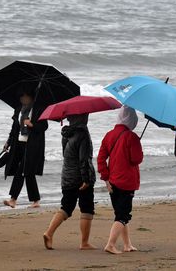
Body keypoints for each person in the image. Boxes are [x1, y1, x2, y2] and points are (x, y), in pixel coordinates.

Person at [43, 114, 96, 250]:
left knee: (66, 207)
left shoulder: (66, 133)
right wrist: (86, 179)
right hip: (80, 177)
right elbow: (84, 159)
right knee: (87, 208)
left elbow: (66, 155)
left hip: (67, 176)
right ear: (82, 118)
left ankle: (49, 232)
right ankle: (84, 243)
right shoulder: (83, 134)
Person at [98, 106, 144, 254]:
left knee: (120, 214)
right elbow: (136, 159)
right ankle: (110, 244)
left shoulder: (109, 135)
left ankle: (127, 244)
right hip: (127, 182)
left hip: (112, 182)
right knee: (123, 215)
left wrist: (106, 178)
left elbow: (100, 159)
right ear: (132, 120)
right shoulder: (132, 137)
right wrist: (138, 146)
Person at [2, 89, 48, 209]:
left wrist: (32, 124)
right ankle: (36, 200)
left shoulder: (38, 109)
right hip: (19, 144)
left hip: (32, 145)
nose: (23, 99)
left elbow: (44, 126)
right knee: (28, 173)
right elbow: (14, 128)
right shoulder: (19, 110)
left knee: (21, 171)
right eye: (21, 97)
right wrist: (8, 142)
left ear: (32, 97)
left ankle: (13, 199)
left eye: (26, 97)